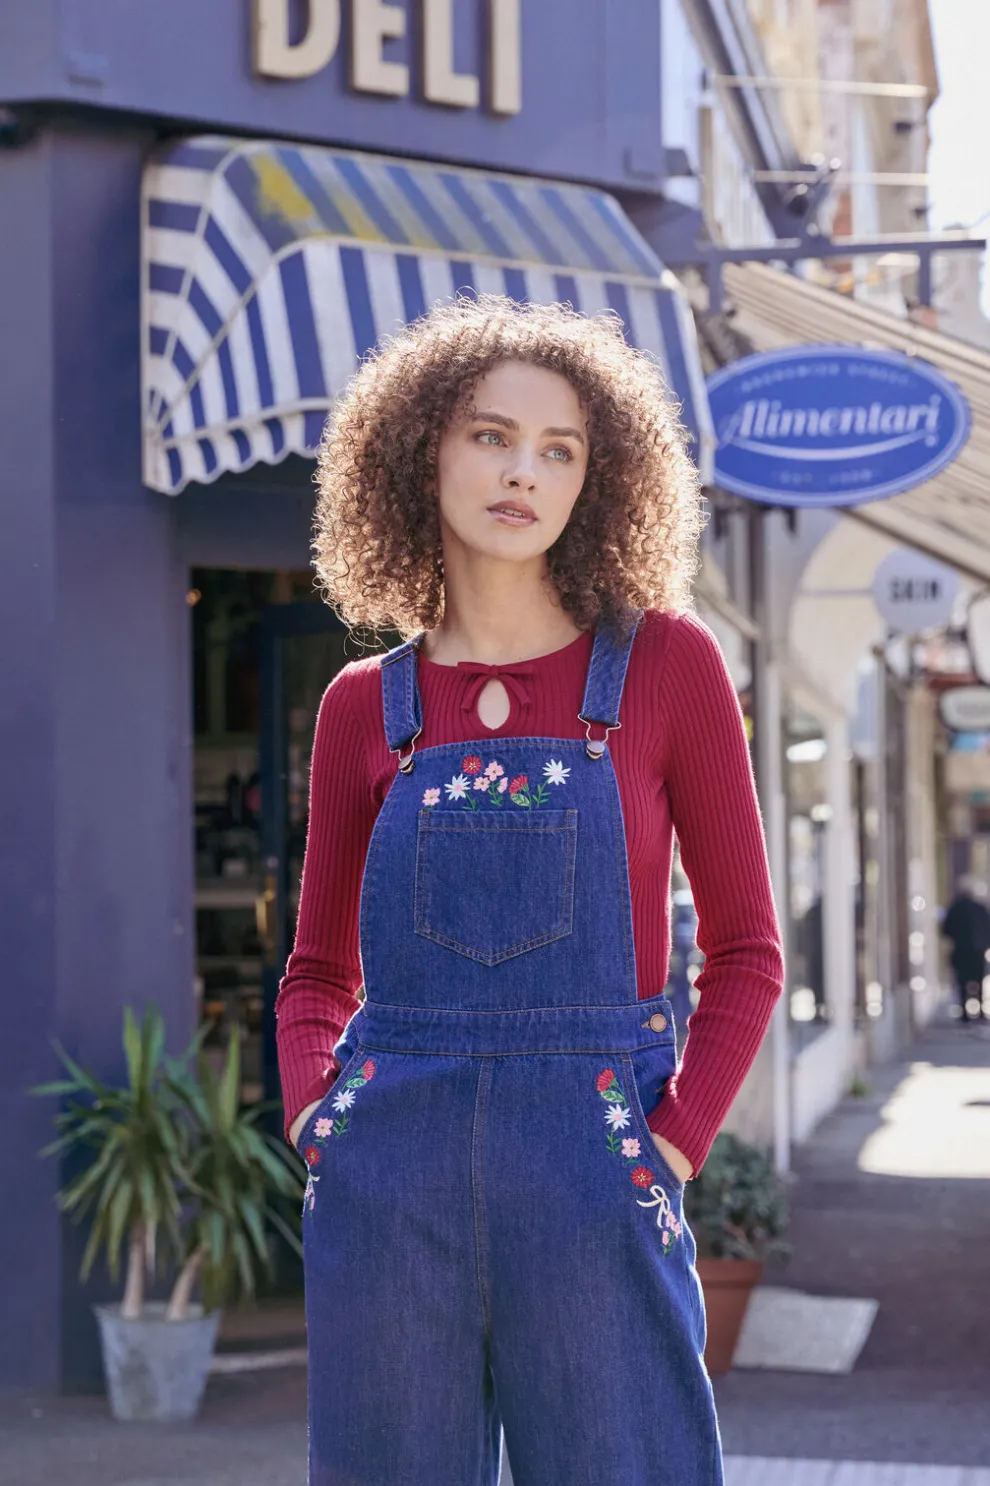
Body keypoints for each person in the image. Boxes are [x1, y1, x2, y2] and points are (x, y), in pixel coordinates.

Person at [275, 296, 785, 1486]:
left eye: (560, 451)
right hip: (387, 1178)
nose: (524, 472)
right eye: (490, 436)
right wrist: (322, 1122)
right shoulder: (365, 704)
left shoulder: (667, 665)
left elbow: (749, 948)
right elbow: (315, 972)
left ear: (598, 482)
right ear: (418, 455)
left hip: (598, 1164)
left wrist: (673, 1142)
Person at [941, 875, 990, 1021]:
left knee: (963, 981)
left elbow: (946, 930)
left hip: (961, 950)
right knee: (977, 981)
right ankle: (979, 1011)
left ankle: (965, 1013)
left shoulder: (955, 908)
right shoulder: (980, 909)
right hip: (977, 950)